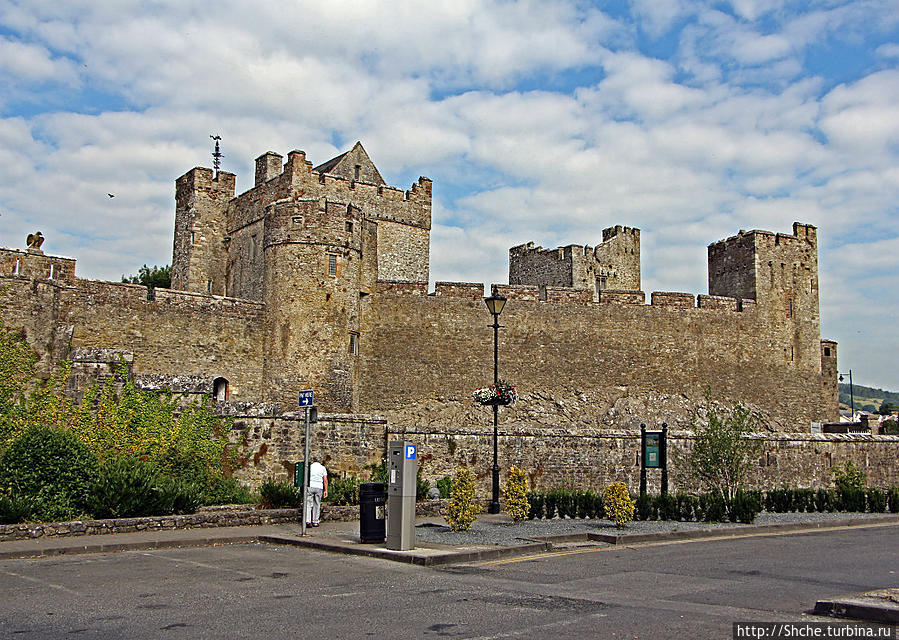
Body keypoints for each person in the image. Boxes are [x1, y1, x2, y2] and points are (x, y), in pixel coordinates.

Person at [306, 458, 328, 527]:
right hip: (319, 487)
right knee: (317, 504)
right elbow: (325, 480)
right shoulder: (322, 468)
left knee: (308, 503)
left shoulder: (310, 467)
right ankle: (315, 521)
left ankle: (308, 520)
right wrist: (326, 490)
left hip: (310, 485)